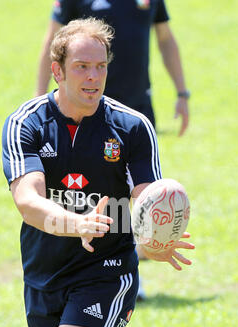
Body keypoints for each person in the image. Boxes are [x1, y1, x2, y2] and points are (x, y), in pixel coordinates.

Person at [2, 18, 194, 327]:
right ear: (58, 70)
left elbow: (146, 197)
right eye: (82, 67)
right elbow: (28, 201)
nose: (93, 77)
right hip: (44, 277)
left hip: (106, 274)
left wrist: (153, 235)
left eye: (100, 67)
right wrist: (77, 223)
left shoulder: (131, 128)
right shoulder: (26, 124)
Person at [36, 0, 190, 301]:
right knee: (94, 192)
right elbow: (52, 38)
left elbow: (165, 38)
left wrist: (182, 92)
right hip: (82, 110)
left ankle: (129, 269)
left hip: (133, 110)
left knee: (136, 193)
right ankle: (78, 269)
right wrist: (39, 97)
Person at [36, 0, 190, 135]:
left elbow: (165, 39)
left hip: (138, 106)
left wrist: (182, 94)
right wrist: (40, 100)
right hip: (88, 108)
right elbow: (52, 42)